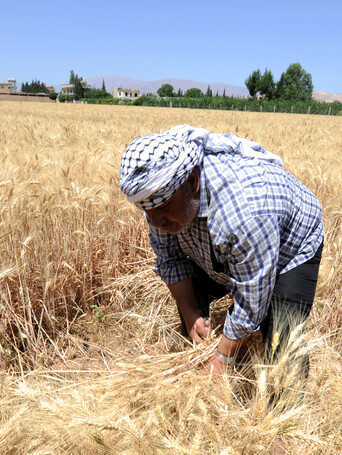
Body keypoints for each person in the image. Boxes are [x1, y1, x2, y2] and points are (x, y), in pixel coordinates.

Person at [118, 125, 324, 382]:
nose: (156, 220)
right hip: (231, 239)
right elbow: (170, 260)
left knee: (282, 338)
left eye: (163, 207)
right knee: (191, 304)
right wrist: (192, 315)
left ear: (192, 182)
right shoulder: (162, 200)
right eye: (147, 210)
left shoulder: (244, 211)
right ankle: (197, 357)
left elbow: (251, 298)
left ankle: (286, 409)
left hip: (292, 244)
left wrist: (223, 358)